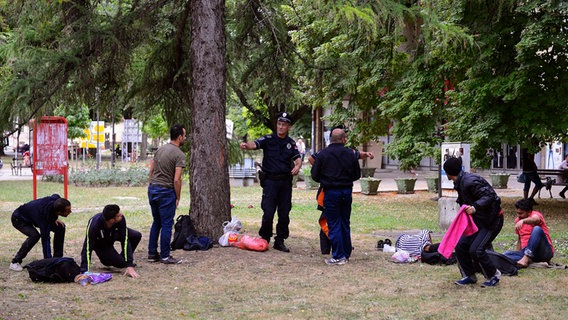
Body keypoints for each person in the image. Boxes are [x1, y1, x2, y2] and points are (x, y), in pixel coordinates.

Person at [240, 112, 302, 252]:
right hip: (270, 182)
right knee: (268, 212)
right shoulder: (268, 139)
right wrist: (246, 145)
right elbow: (255, 144)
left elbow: (298, 159)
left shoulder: (291, 143)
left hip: (285, 182)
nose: (280, 127)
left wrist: (297, 167)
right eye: (279, 124)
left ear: (289, 127)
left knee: (284, 213)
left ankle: (279, 241)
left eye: (284, 125)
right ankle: (264, 239)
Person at [442, 157, 503, 287]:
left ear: (448, 173)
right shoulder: (460, 181)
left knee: (476, 250)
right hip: (478, 220)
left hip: (492, 220)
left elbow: (490, 196)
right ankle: (469, 276)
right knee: (460, 245)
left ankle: (494, 276)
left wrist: (475, 207)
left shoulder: (470, 181)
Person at [311, 128, 361, 265]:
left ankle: (338, 256)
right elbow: (357, 174)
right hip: (346, 191)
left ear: (330, 139)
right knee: (345, 222)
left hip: (331, 192)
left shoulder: (323, 154)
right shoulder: (350, 154)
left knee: (333, 224)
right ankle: (346, 253)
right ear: (344, 139)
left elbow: (314, 175)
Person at [147, 124, 186, 264]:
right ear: (180, 137)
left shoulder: (160, 150)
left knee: (156, 222)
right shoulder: (179, 154)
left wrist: (151, 184)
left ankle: (152, 253)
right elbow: (177, 179)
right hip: (166, 192)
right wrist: (177, 196)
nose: (185, 138)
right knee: (167, 224)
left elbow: (151, 170)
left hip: (153, 189)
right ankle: (165, 255)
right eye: (184, 135)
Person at [9, 194, 72, 271]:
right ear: (59, 212)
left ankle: (57, 258)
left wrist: (54, 218)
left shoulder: (56, 200)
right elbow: (45, 240)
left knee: (60, 227)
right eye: (67, 211)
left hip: (33, 216)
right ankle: (15, 261)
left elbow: (55, 195)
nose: (70, 212)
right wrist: (49, 262)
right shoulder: (43, 219)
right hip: (19, 218)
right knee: (34, 236)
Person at [80, 204, 141, 278]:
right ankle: (111, 259)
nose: (121, 215)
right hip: (101, 243)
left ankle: (123, 259)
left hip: (113, 234)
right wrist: (84, 271)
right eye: (118, 215)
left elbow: (125, 240)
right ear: (112, 220)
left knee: (136, 235)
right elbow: (87, 248)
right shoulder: (94, 225)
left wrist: (129, 265)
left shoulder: (121, 219)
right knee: (120, 264)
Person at [504, 199, 554, 267]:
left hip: (544, 251)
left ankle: (526, 258)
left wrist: (523, 221)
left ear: (529, 212)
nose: (518, 215)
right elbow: (520, 239)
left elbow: (535, 219)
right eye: (517, 213)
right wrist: (518, 252)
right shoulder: (518, 220)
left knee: (537, 229)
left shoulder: (535, 215)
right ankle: (532, 262)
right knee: (505, 255)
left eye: (521, 213)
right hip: (527, 252)